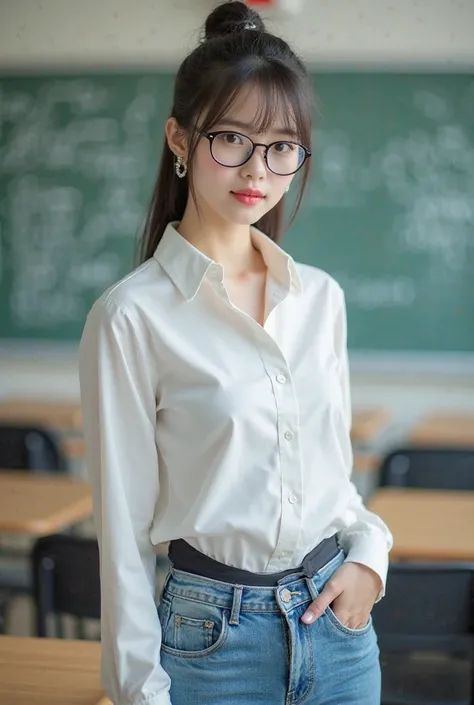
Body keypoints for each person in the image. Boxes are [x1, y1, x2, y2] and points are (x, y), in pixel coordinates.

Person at [79, 2, 393, 704]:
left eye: (283, 146)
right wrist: (141, 692)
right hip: (211, 642)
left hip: (338, 629)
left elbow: (332, 478)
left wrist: (370, 556)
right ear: (180, 140)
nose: (258, 168)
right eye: (232, 139)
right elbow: (122, 539)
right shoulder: (130, 317)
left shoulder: (320, 298)